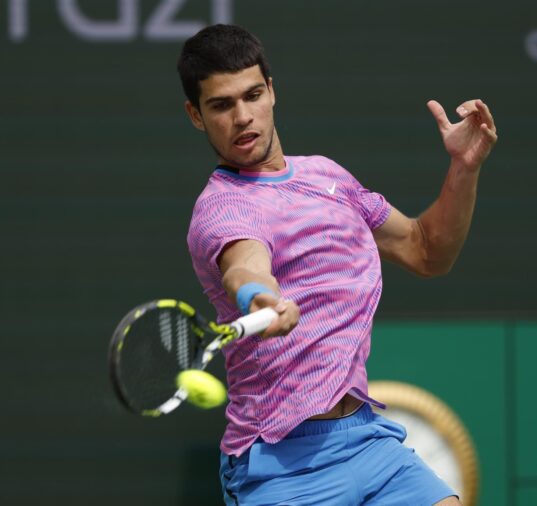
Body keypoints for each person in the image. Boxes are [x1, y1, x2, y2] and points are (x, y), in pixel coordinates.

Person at [178, 24, 496, 506]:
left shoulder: (328, 177)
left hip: (367, 441)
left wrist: (464, 168)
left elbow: (427, 250)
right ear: (196, 115)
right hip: (279, 465)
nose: (243, 117)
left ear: (272, 90)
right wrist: (258, 298)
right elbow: (244, 266)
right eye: (222, 105)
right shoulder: (222, 209)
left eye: (252, 95)